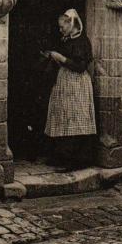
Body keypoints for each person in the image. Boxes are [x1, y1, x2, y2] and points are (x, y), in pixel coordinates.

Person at [40, 9, 97, 168]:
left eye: (62, 26)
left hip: (77, 83)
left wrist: (62, 58)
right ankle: (62, 157)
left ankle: (77, 159)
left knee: (76, 118)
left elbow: (80, 66)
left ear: (71, 23)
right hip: (64, 82)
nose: (60, 30)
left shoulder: (82, 41)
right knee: (63, 117)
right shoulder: (66, 40)